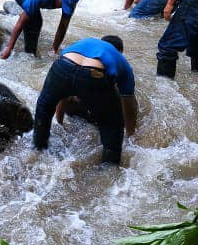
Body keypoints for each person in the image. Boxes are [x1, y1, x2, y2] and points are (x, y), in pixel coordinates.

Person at [33, 35, 138, 165]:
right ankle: (108, 171)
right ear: (120, 52)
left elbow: (63, 93)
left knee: (44, 108)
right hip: (95, 74)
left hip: (63, 64)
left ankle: (38, 151)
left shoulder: (86, 42)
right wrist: (130, 135)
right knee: (112, 127)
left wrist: (60, 122)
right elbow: (129, 104)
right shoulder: (121, 60)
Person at [0, 0, 80, 58]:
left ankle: (31, 51)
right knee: (35, 20)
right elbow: (22, 20)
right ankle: (29, 54)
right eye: (63, 4)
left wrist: (54, 49)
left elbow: (63, 26)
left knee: (33, 13)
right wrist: (9, 48)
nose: (63, 7)